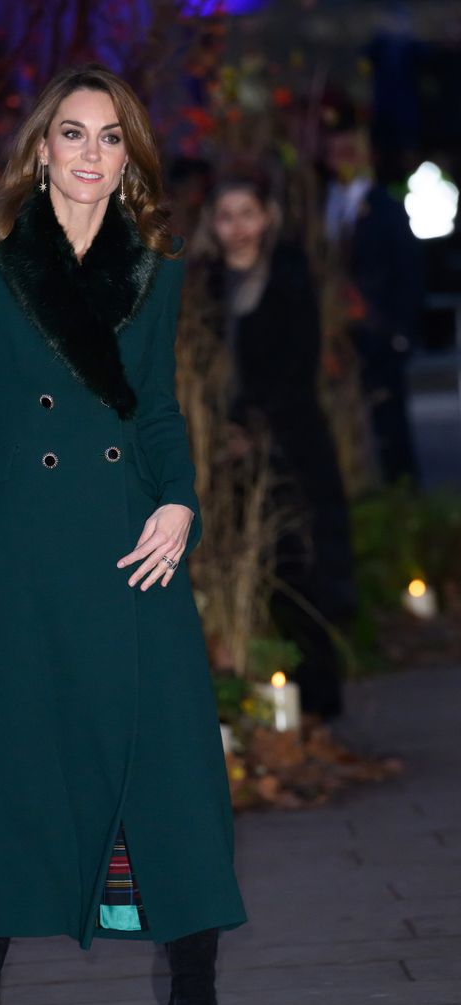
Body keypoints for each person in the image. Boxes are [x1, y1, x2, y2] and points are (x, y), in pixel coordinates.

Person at [0, 63, 248, 1005]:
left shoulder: (155, 268)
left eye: (112, 137)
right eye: (75, 133)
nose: (92, 153)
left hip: (134, 547)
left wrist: (181, 502)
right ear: (41, 148)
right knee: (11, 769)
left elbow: (157, 409)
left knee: (176, 772)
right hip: (22, 555)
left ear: (129, 159)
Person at [189, 171, 356, 720]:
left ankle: (318, 693)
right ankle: (255, 691)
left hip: (288, 444)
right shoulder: (206, 286)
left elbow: (296, 367)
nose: (237, 227)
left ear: (266, 218)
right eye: (225, 217)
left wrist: (255, 429)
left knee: (299, 564)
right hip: (225, 452)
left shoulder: (288, 276)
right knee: (245, 565)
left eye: (247, 214)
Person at [323, 120, 424, 484]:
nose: (343, 160)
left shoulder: (386, 207)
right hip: (335, 330)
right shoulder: (320, 204)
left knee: (389, 417)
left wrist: (400, 331)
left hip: (378, 328)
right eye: (336, 153)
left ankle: (401, 491)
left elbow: (409, 272)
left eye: (350, 152)